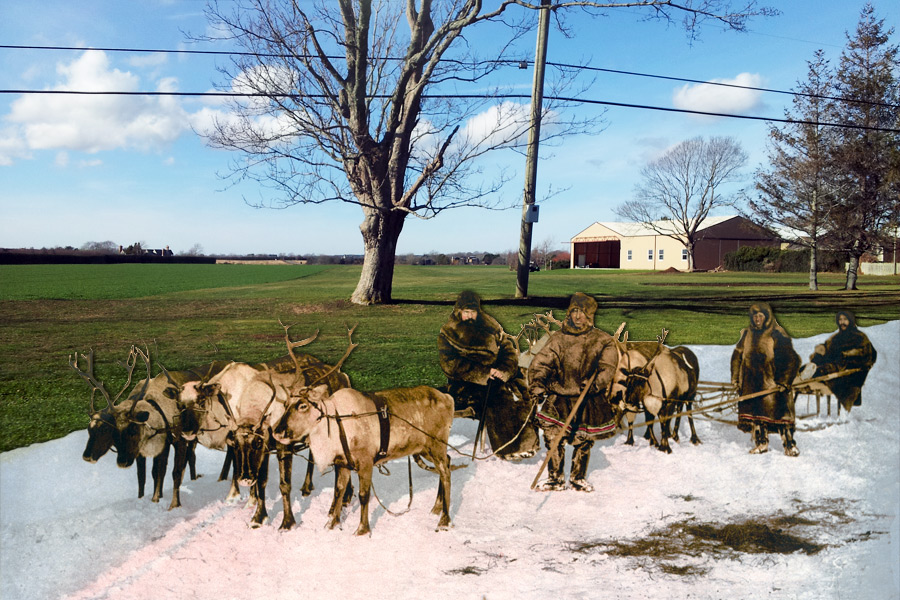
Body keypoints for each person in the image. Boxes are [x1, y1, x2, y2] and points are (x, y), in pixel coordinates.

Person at [527, 293, 619, 492]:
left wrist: (595, 383)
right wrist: (538, 382)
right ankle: (555, 477)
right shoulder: (558, 338)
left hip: (587, 398)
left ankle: (578, 477)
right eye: (574, 311)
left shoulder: (602, 340)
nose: (578, 317)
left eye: (583, 313)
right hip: (559, 397)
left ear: (590, 316)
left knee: (583, 439)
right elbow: (542, 362)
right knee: (552, 437)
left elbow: (608, 367)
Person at [438, 291, 538, 460]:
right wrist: (484, 373)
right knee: (497, 397)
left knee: (523, 395)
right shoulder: (449, 333)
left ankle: (527, 444)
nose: (470, 316)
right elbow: (450, 365)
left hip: (498, 376)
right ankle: (508, 447)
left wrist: (503, 370)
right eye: (466, 312)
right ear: (458, 312)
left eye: (473, 312)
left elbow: (508, 351)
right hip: (466, 383)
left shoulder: (491, 326)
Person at [730, 302, 801, 456]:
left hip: (772, 382)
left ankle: (789, 445)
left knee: (780, 415)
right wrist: (735, 378)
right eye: (754, 316)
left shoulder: (777, 333)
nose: (757, 319)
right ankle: (761, 443)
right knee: (757, 416)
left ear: (767, 317)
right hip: (751, 381)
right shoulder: (747, 334)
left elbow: (791, 359)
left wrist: (784, 380)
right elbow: (737, 355)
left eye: (760, 316)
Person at [807, 310, 877, 412]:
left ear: (851, 321)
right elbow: (827, 347)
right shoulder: (836, 337)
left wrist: (846, 354)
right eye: (840, 320)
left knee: (830, 369)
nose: (842, 322)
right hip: (836, 365)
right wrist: (821, 349)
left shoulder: (859, 337)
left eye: (845, 319)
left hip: (851, 369)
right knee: (818, 360)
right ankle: (809, 371)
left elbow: (866, 352)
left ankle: (818, 371)